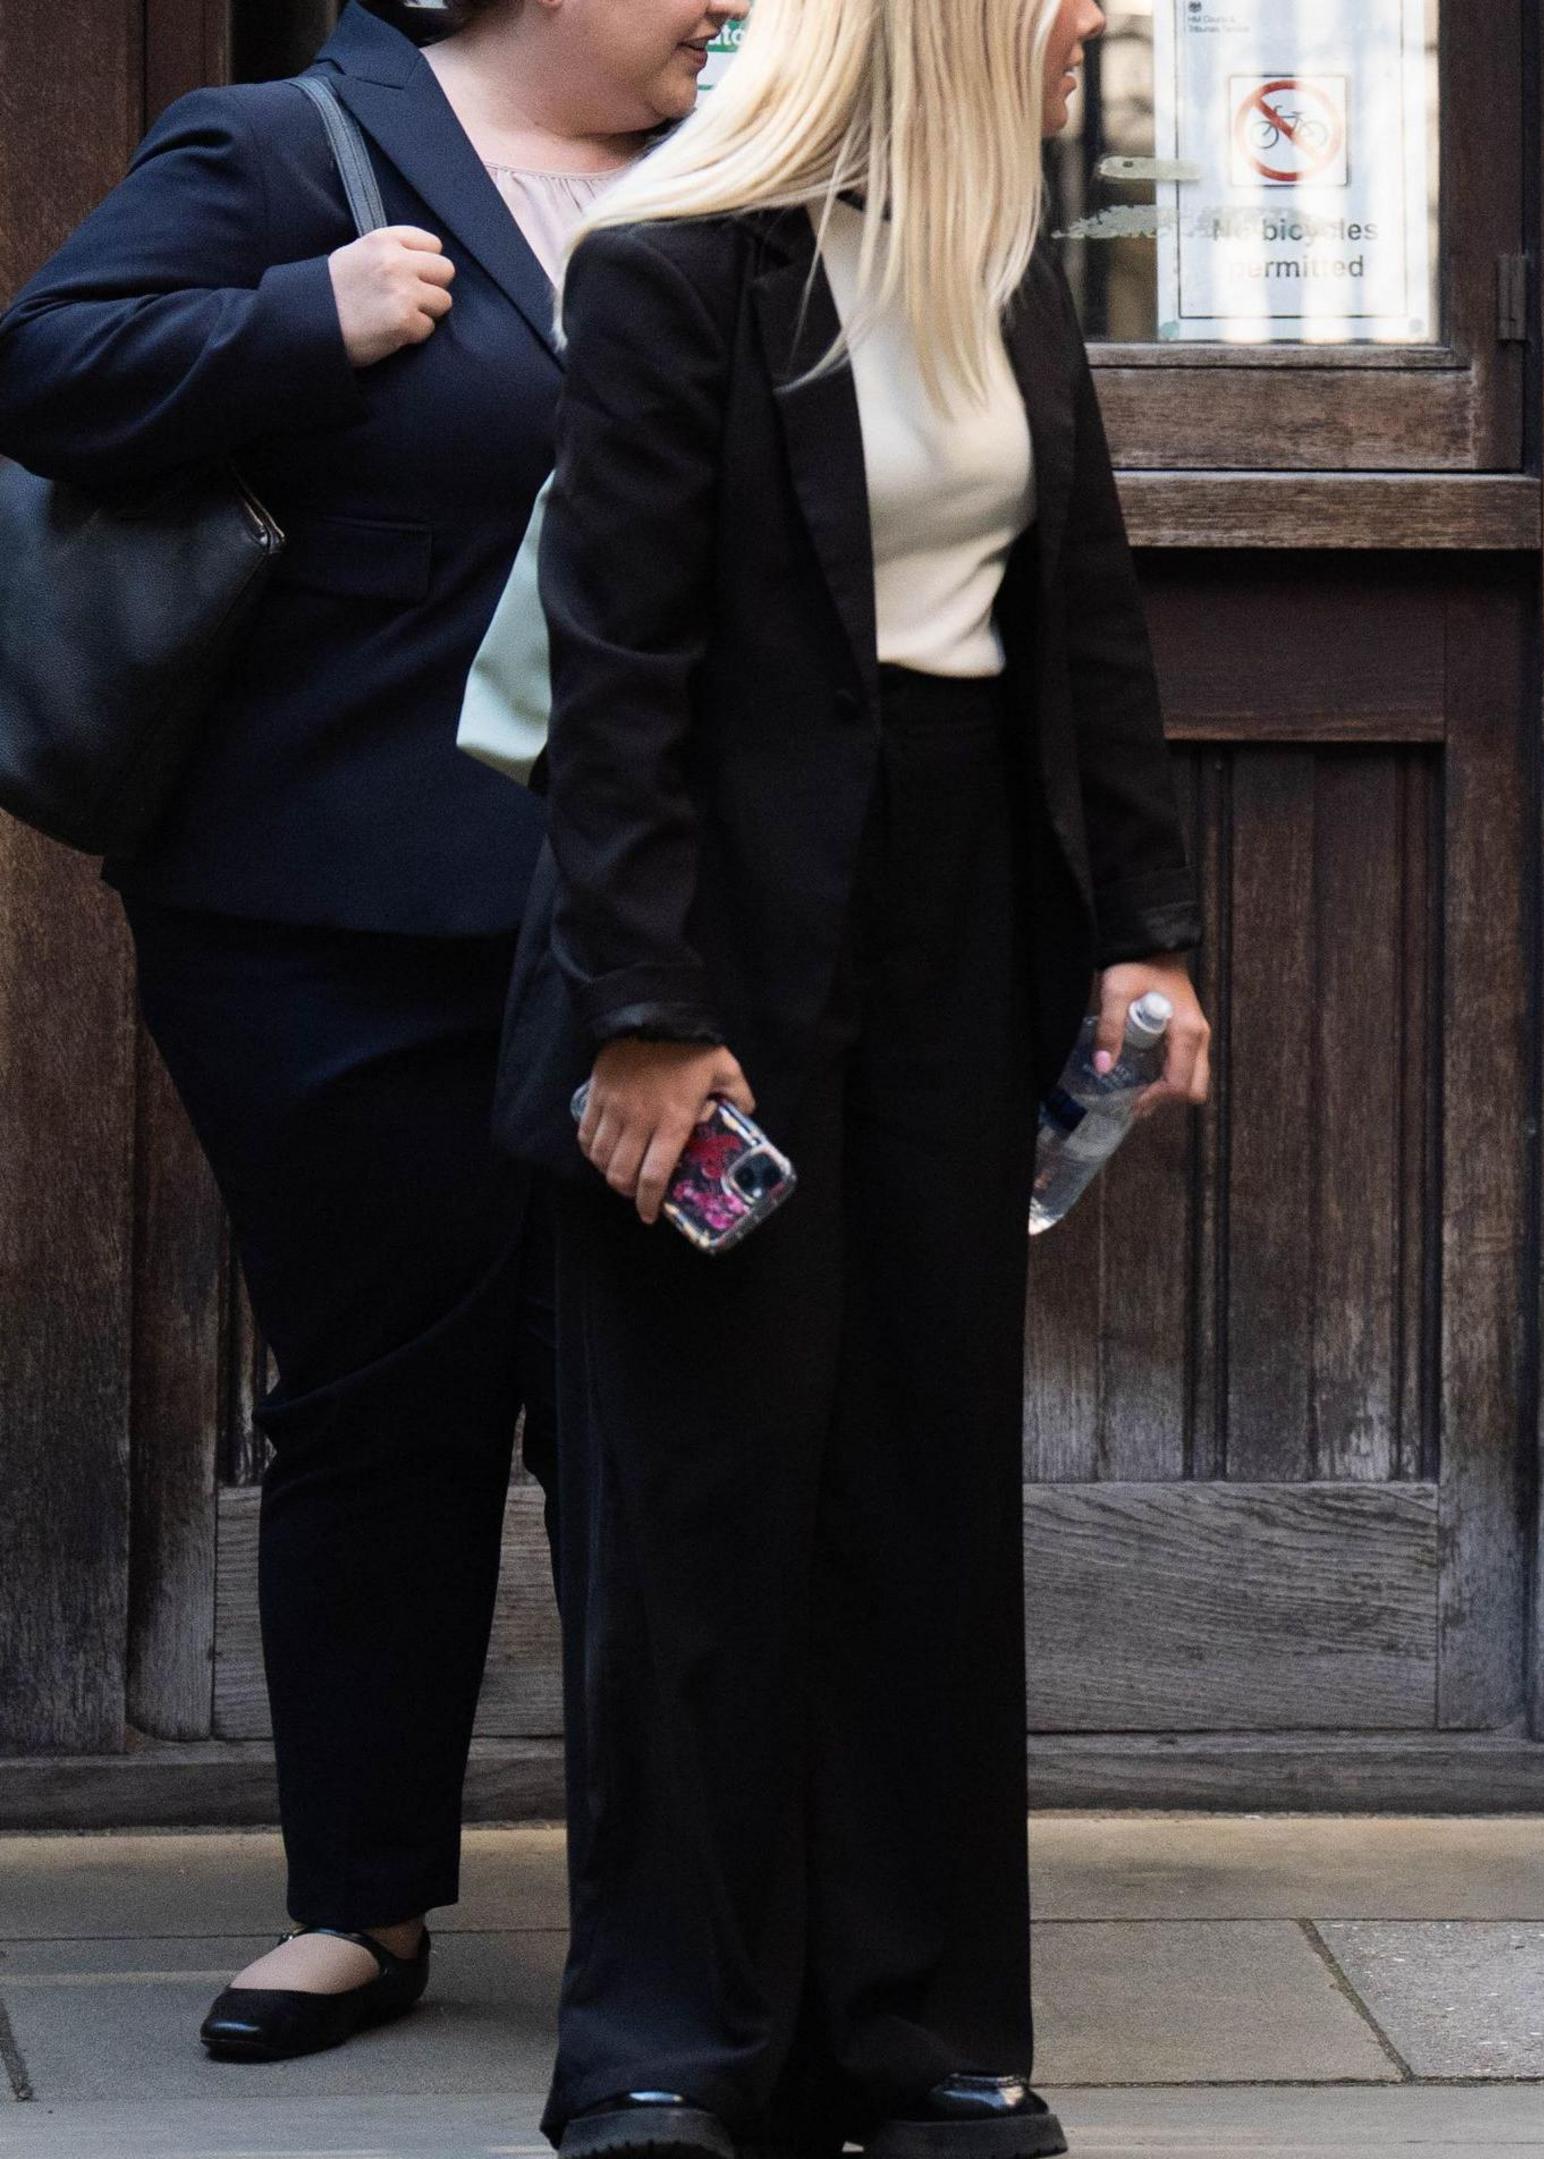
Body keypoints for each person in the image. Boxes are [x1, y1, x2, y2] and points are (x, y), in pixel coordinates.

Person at [0, 0, 741, 2066]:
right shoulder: (275, 154)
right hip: (324, 920)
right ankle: (361, 1903)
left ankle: (681, 1926)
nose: (719, 1)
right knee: (380, 1394)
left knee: (668, 1417)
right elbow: (43, 374)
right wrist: (299, 324)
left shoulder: (738, 181)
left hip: (658, 929)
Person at [500, 0, 1208, 2149]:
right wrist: (648, 1010)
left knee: (920, 1480)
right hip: (714, 938)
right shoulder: (665, 265)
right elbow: (611, 677)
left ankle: (919, 2038)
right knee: (704, 1496)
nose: (1104, 16)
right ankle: (665, 2055)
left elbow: (1079, 613)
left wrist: (1143, 936)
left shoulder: (1001, 261)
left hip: (960, 916)